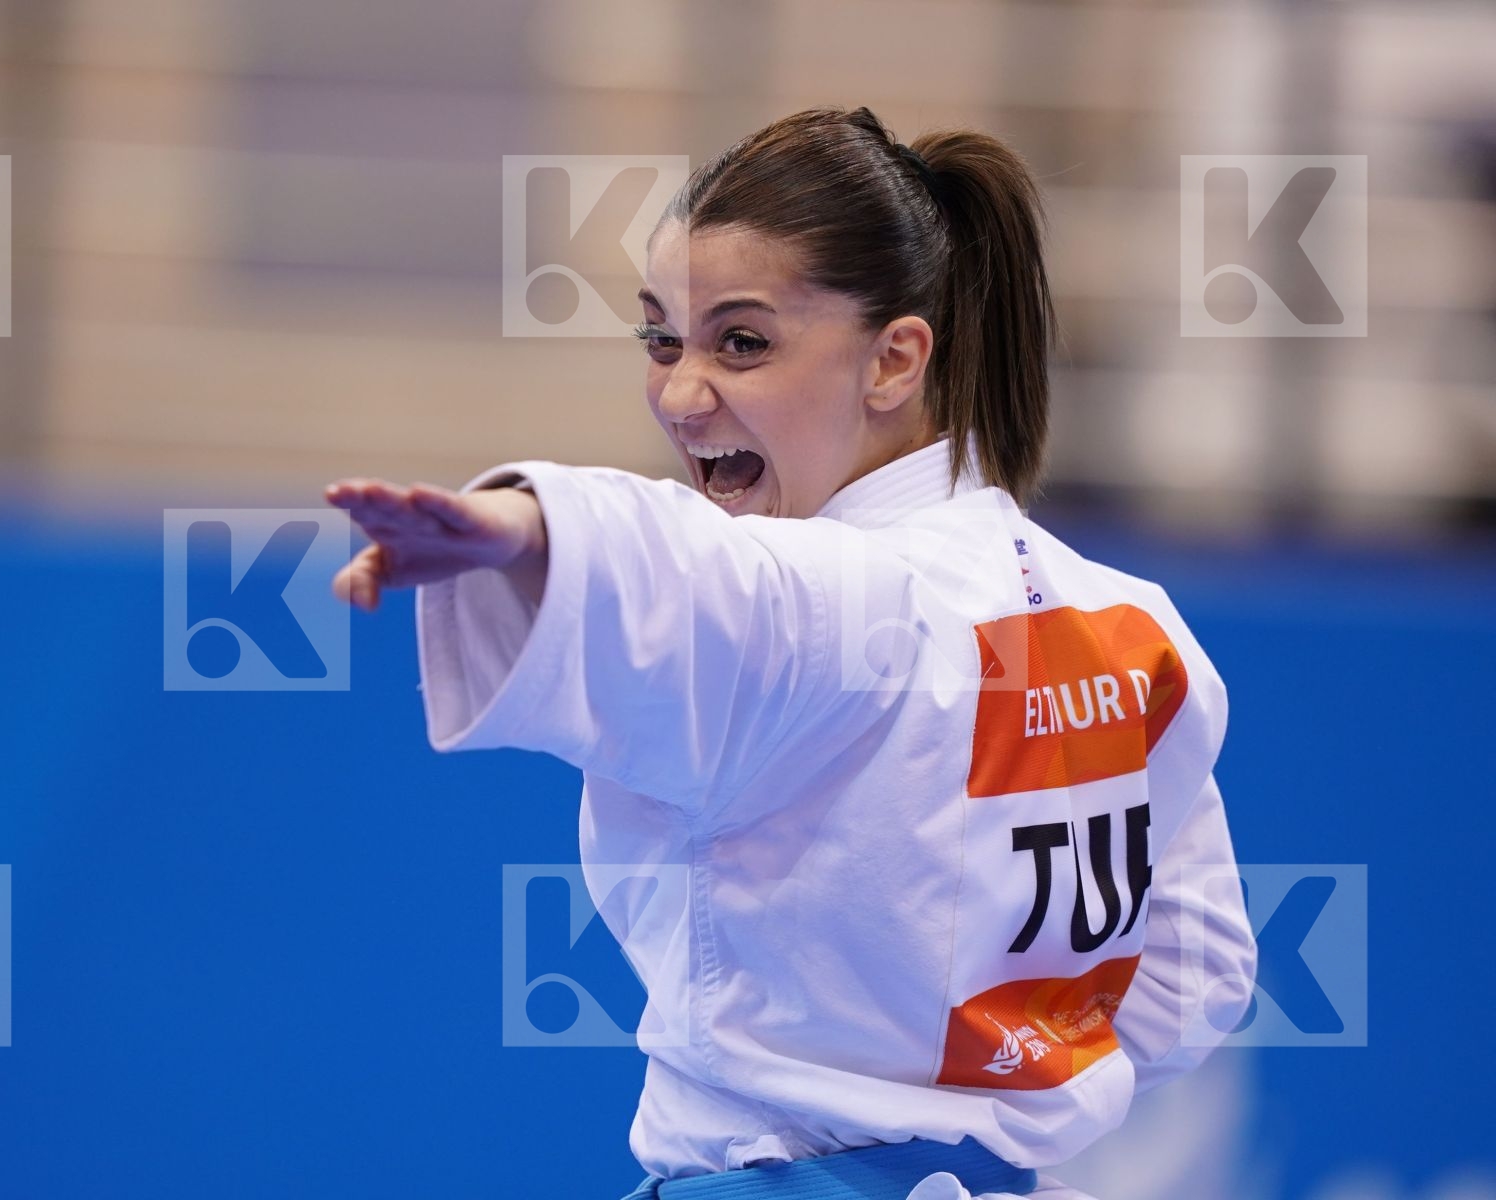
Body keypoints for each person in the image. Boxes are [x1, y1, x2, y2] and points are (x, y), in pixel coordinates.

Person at [324, 106, 1257, 1200]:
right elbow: (1195, 974)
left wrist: (530, 530)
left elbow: (692, 573)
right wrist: (987, 1110)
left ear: (895, 359)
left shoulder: (842, 599)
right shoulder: (1132, 625)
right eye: (661, 339)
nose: (681, 392)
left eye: (743, 341)